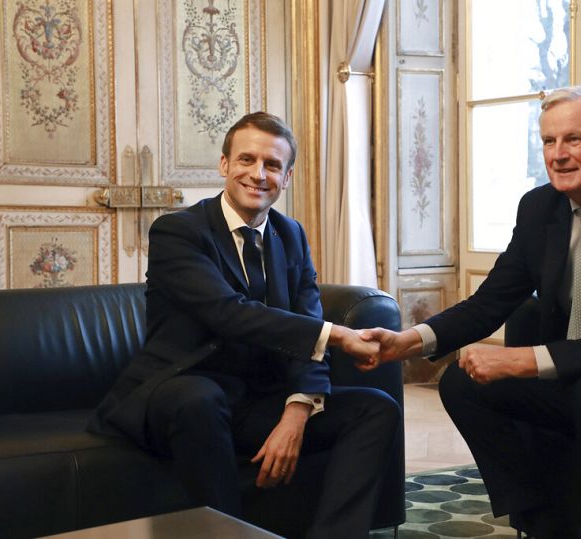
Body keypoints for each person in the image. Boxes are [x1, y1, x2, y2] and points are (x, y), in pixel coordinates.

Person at [360, 86, 581, 538]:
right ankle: (540, 516)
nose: (558, 155)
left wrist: (521, 360)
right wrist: (409, 341)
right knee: (462, 383)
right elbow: (491, 301)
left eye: (574, 140)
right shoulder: (540, 206)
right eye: (548, 141)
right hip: (572, 376)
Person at [89, 111, 399, 539]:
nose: (258, 174)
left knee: (376, 407)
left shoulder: (291, 235)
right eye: (247, 160)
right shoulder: (178, 231)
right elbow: (228, 312)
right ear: (224, 165)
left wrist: (297, 410)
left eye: (272, 165)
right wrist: (339, 335)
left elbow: (304, 320)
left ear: (286, 178)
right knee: (200, 397)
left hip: (255, 399)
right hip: (181, 389)